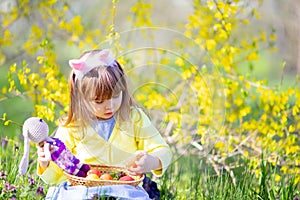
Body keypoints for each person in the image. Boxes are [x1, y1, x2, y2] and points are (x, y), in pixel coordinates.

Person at [36, 49, 172, 199]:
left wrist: (152, 161)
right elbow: (57, 175)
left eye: (115, 96)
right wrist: (45, 163)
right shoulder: (73, 126)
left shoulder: (134, 118)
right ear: (81, 98)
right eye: (99, 101)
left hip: (125, 189)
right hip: (82, 189)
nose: (110, 106)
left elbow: (163, 150)